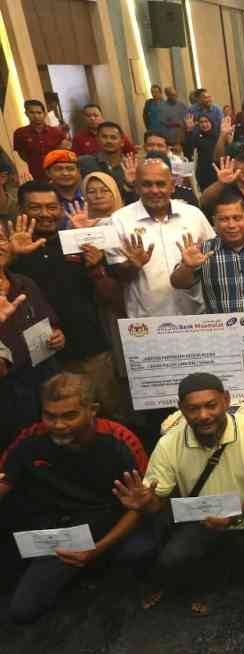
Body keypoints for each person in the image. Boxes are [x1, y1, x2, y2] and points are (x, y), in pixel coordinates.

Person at [113, 373, 244, 615]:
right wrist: (147, 503)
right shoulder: (169, 444)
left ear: (226, 400)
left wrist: (236, 516)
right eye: (193, 409)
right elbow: (158, 502)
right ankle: (221, 568)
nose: (203, 415)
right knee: (172, 559)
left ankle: (229, 565)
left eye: (211, 405)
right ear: (181, 409)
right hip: (202, 522)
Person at [0, 373, 153, 623]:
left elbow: (139, 505)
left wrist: (96, 550)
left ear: (92, 410)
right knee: (22, 610)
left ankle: (94, 567)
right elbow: (4, 480)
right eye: (50, 416)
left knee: (139, 550)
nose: (58, 425)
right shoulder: (30, 438)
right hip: (59, 527)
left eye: (69, 415)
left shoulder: (120, 440)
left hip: (108, 522)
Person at [9, 181, 124, 419]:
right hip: (34, 359)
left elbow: (111, 296)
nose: (44, 214)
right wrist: (11, 257)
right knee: (50, 420)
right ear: (21, 209)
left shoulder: (77, 242)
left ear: (61, 209)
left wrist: (96, 267)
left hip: (90, 351)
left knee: (109, 413)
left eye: (51, 207)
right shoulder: (9, 248)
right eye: (35, 207)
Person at [105, 159, 216, 318]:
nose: (154, 190)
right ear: (136, 187)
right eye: (147, 184)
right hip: (147, 321)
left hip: (195, 315)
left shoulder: (194, 214)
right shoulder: (118, 221)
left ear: (172, 186)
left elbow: (213, 258)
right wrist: (132, 265)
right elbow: (118, 278)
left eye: (161, 184)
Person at [0, 223, 66, 448]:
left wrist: (58, 337)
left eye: (0, 239)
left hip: (38, 379)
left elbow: (50, 325)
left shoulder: (24, 283)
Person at [78, 122, 136, 201]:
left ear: (122, 142)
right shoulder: (85, 162)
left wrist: (129, 184)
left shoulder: (131, 166)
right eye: (104, 137)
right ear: (97, 139)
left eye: (113, 137)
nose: (109, 141)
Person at [13, 100, 67, 180]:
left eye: (39, 113)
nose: (36, 116)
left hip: (57, 172)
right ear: (26, 114)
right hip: (36, 173)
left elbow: (63, 150)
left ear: (44, 114)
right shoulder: (20, 133)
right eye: (31, 112)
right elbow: (22, 154)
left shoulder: (56, 132)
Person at [72, 104, 136, 158]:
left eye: (96, 115)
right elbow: (76, 160)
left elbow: (131, 153)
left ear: (102, 117)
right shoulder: (78, 138)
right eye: (88, 116)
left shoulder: (115, 132)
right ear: (84, 118)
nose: (92, 118)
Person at [183, 113, 220, 191]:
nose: (204, 124)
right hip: (204, 175)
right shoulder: (196, 136)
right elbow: (187, 151)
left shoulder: (219, 136)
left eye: (206, 121)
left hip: (219, 173)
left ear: (211, 122)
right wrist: (189, 131)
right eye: (201, 122)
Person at [43, 149, 84, 220]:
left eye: (70, 169)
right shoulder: (42, 198)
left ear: (78, 172)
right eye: (59, 169)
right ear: (48, 173)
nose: (65, 173)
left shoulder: (89, 195)